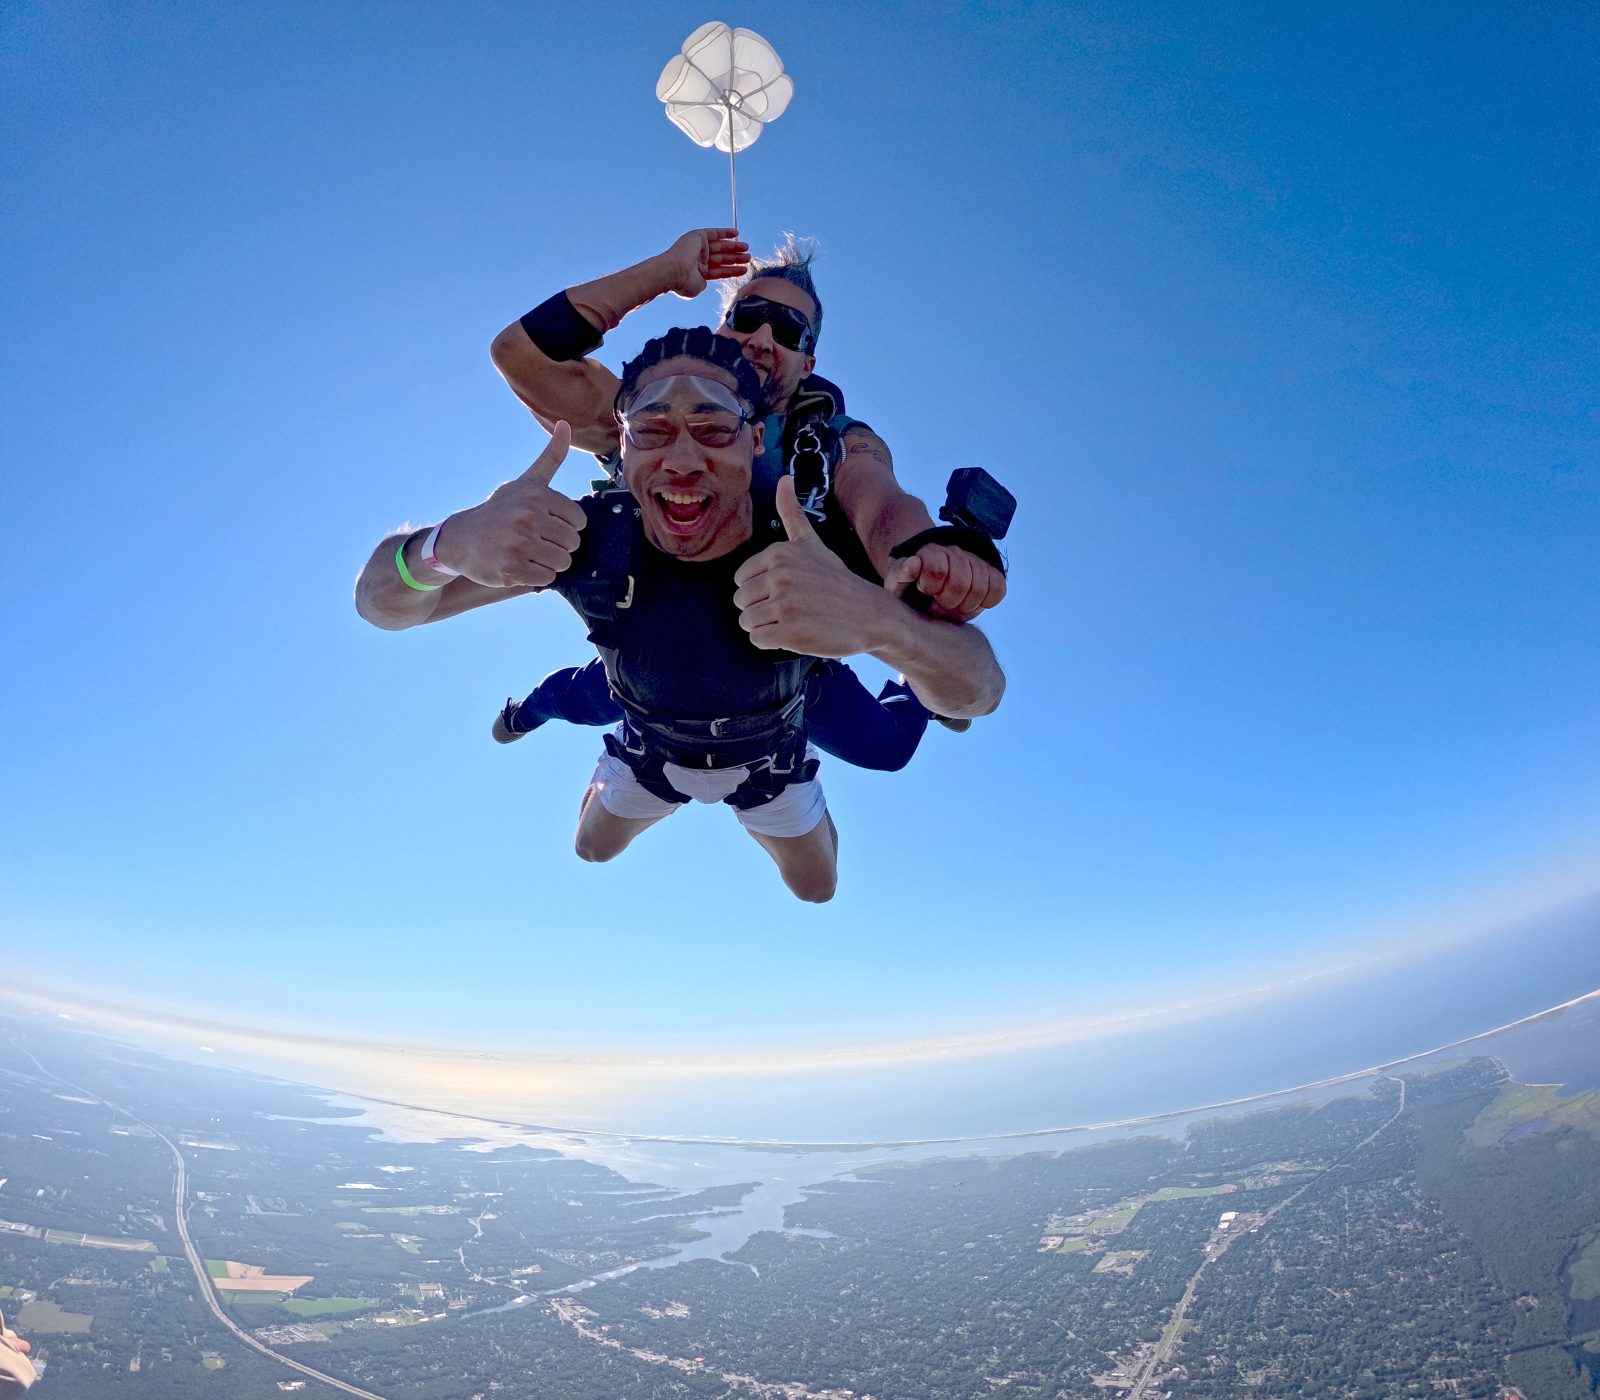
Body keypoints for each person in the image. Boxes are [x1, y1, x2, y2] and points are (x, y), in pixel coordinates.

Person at [354, 328, 1005, 901]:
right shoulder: (589, 535)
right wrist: (441, 548)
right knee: (593, 844)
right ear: (625, 447)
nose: (684, 460)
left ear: (755, 439)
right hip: (650, 744)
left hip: (771, 751)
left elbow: (981, 683)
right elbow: (382, 604)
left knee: (817, 883)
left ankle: (908, 696)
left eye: (714, 427)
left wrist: (883, 625)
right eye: (654, 429)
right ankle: (522, 714)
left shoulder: (807, 542)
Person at [486, 229, 1005, 753]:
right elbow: (520, 355)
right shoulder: (652, 408)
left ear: (808, 364)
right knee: (570, 700)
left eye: (788, 331)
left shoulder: (832, 442)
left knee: (887, 747)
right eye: (747, 317)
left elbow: (881, 500)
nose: (761, 339)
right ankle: (522, 711)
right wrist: (663, 273)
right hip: (652, 643)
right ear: (722, 329)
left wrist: (925, 557)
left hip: (783, 662)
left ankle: (915, 695)